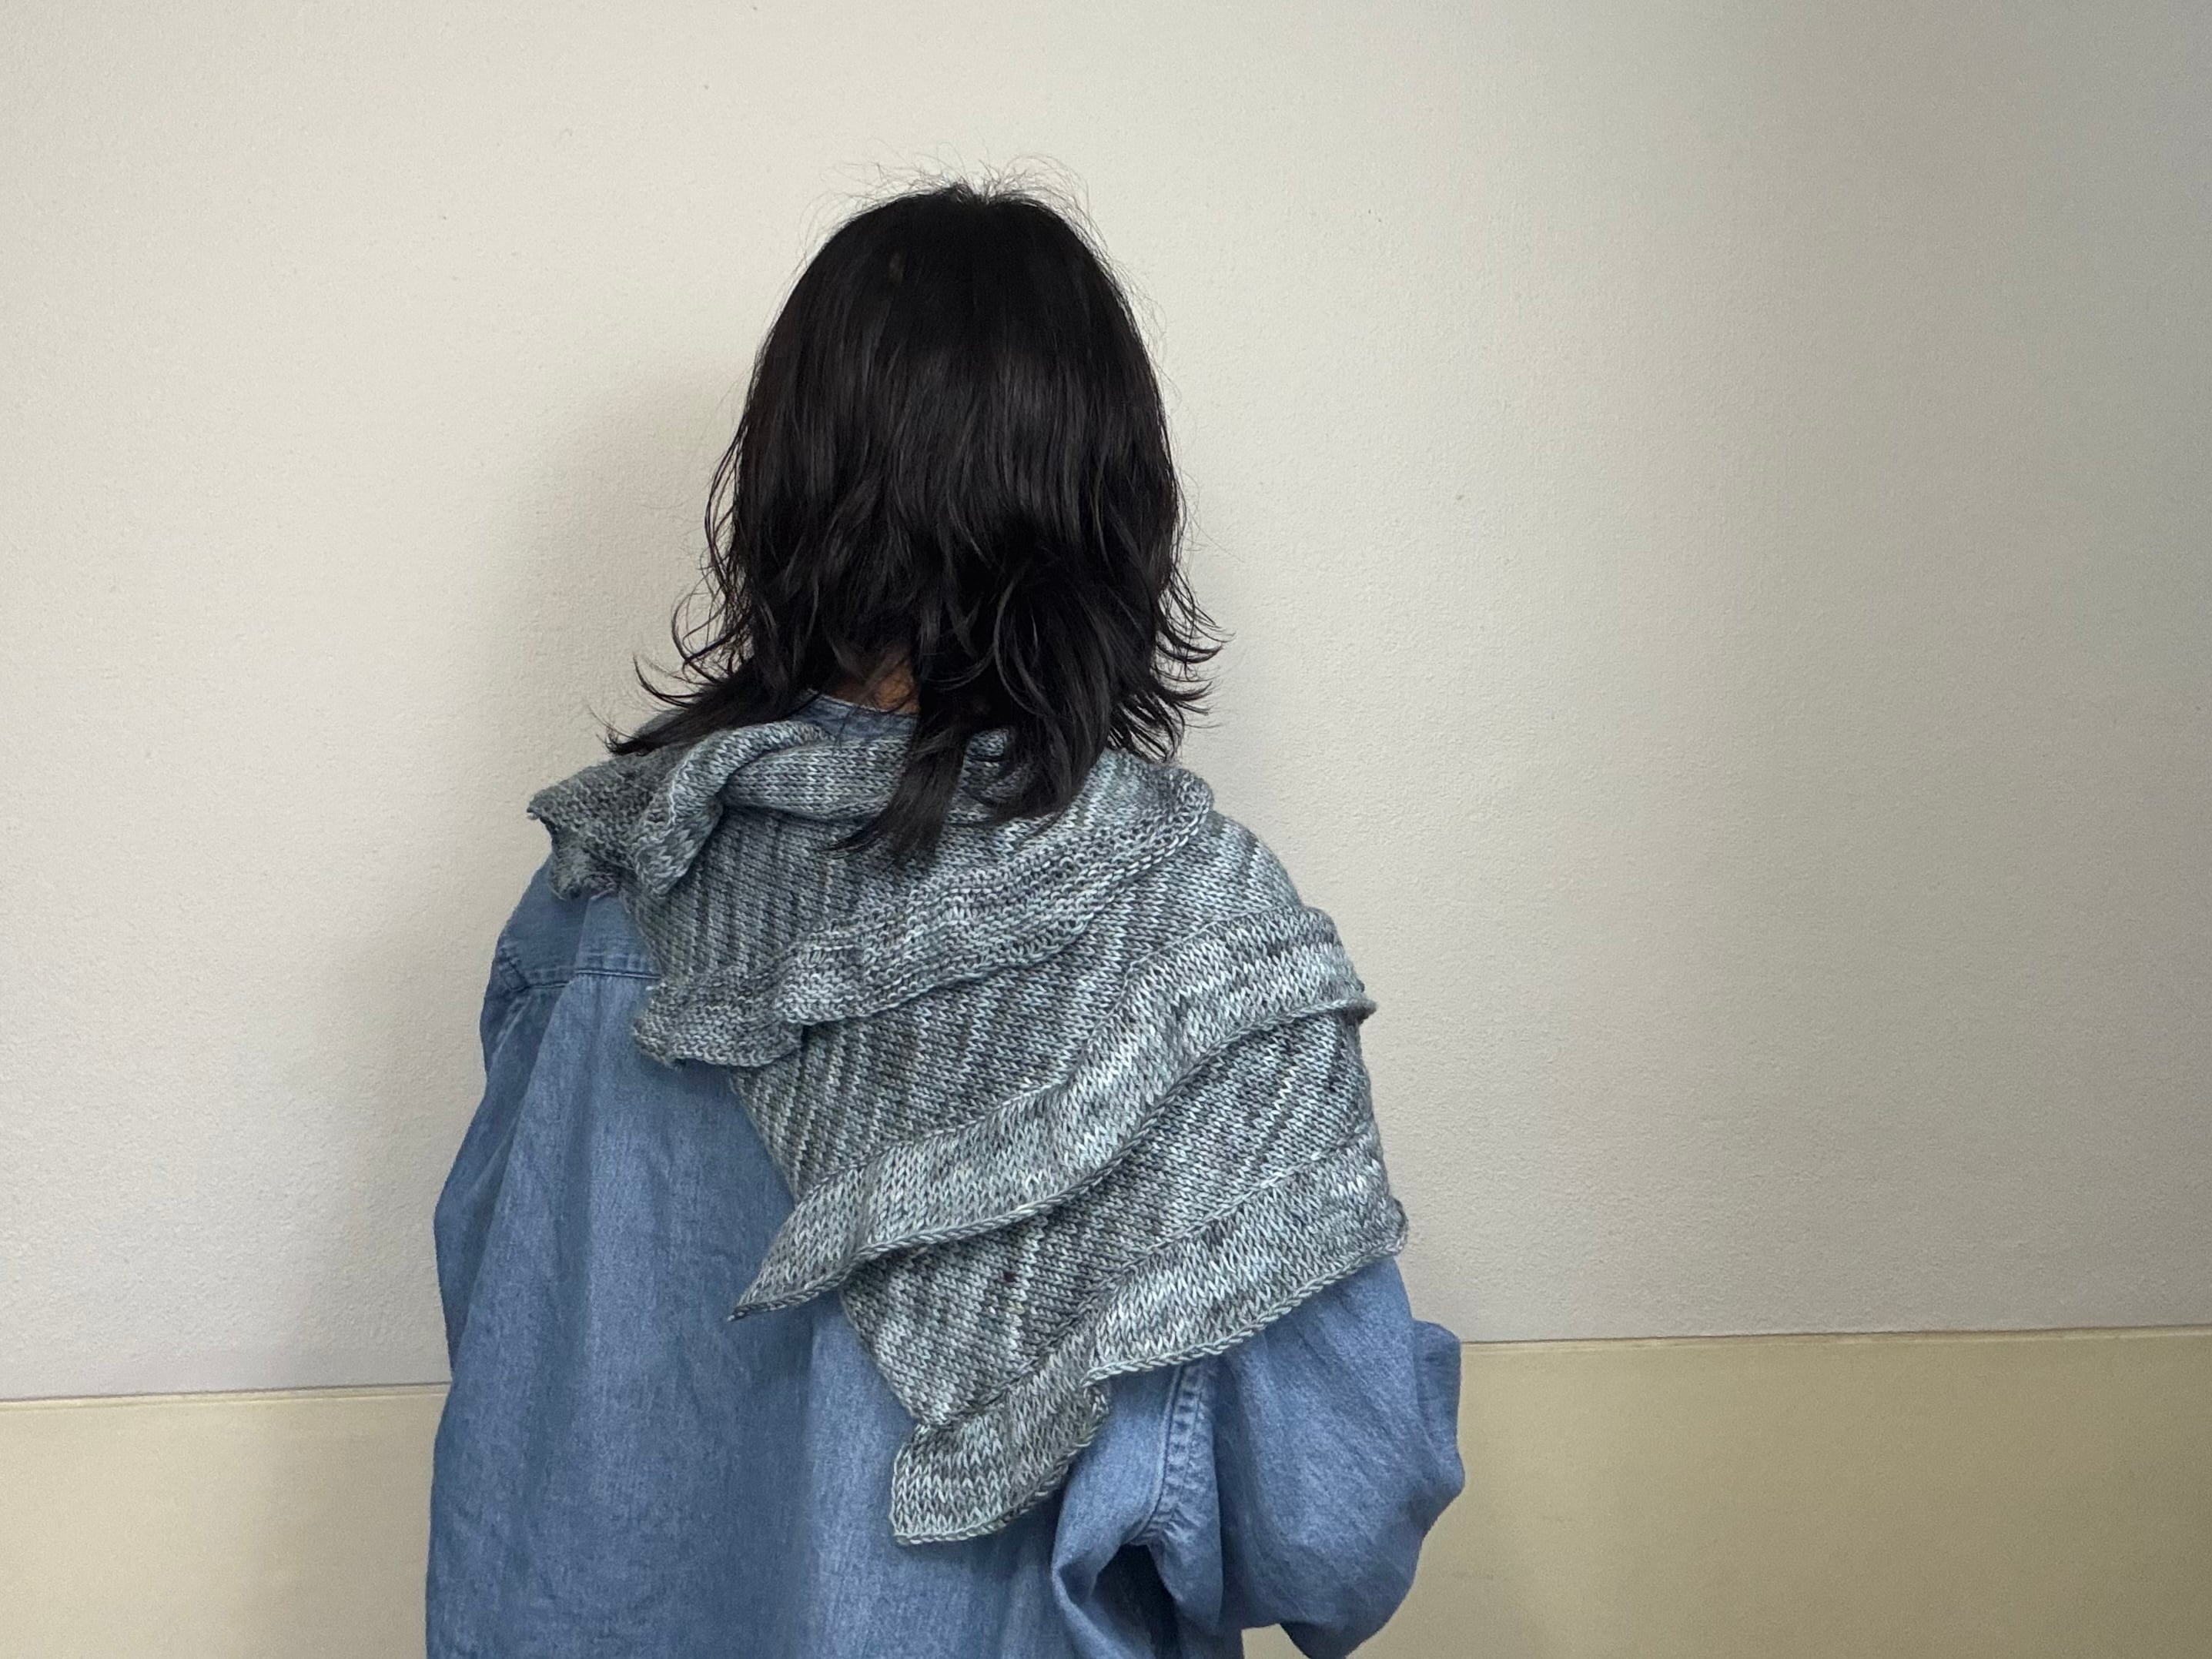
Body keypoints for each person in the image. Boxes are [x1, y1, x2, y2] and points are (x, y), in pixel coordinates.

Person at [427, 178, 1464, 1659]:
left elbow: (511, 1352)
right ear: (1107, 511)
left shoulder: (598, 893)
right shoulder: (1186, 936)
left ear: (786, 486)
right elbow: (1328, 1529)